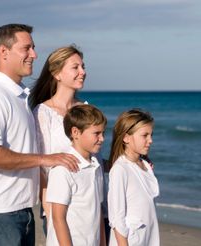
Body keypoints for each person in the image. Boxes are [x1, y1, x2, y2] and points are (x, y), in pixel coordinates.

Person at [0, 24, 78, 246]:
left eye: (33, 48)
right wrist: (45, 159)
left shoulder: (16, 97)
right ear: (4, 52)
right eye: (27, 48)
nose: (34, 55)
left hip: (17, 210)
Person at [29, 45, 87, 234]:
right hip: (60, 208)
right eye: (75, 67)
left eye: (83, 67)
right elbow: (41, 168)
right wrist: (49, 212)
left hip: (90, 205)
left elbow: (92, 160)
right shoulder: (43, 113)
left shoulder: (87, 110)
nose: (83, 72)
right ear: (57, 73)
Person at [45, 104, 107, 246]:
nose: (102, 138)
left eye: (103, 133)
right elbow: (58, 217)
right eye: (96, 133)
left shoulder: (96, 166)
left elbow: (98, 213)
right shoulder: (63, 169)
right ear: (75, 132)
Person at [107, 109, 160, 246]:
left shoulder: (146, 165)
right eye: (145, 135)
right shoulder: (120, 169)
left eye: (151, 135)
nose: (150, 141)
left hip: (148, 238)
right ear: (126, 138)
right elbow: (116, 217)